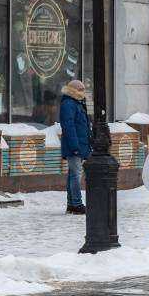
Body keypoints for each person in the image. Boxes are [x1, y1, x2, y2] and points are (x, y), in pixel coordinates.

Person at [58, 79, 92, 215]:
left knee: (73, 174)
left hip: (79, 144)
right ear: (74, 91)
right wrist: (75, 147)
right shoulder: (69, 104)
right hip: (74, 145)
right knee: (76, 174)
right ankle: (77, 204)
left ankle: (72, 204)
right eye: (81, 89)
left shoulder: (77, 103)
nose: (83, 92)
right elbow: (68, 126)